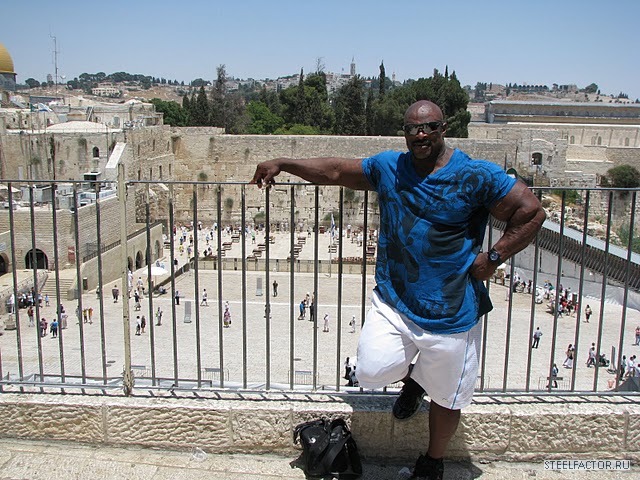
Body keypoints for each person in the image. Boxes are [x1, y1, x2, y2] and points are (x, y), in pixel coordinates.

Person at [250, 99, 545, 479]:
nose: (421, 134)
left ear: (444, 128)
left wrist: (494, 257)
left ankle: (432, 461)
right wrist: (283, 163)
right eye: (412, 129)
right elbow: (336, 170)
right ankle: (415, 379)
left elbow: (532, 211)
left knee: (447, 398)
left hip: (451, 309)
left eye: (430, 127)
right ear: (404, 133)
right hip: (395, 301)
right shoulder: (390, 167)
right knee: (370, 371)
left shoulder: (475, 174)